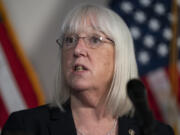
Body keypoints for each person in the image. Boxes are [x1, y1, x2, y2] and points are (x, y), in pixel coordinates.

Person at [1, 3, 174, 135]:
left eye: (95, 39)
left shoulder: (156, 133)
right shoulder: (26, 127)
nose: (77, 50)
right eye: (69, 40)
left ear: (120, 56)